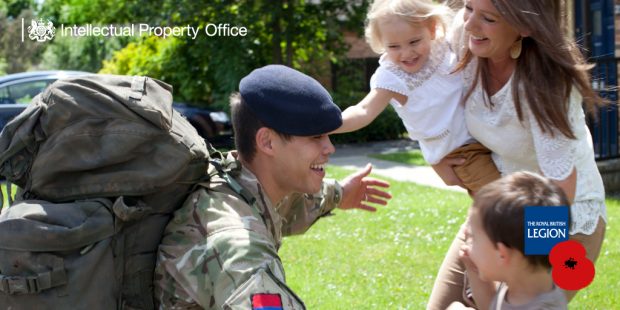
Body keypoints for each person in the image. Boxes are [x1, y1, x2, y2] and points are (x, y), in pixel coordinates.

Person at [153, 64, 392, 309]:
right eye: (315, 137)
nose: (329, 148)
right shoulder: (242, 251)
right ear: (267, 142)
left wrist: (340, 193)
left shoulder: (232, 183)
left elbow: (291, 206)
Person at [428, 0, 607, 308]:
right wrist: (434, 153)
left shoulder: (547, 83)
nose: (469, 24)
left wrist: (520, 265)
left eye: (489, 18)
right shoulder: (466, 37)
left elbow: (560, 188)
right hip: (500, 210)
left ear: (525, 27)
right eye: (468, 8)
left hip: (562, 221)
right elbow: (411, 82)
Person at [333, 0, 500, 194]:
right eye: (394, 46)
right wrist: (330, 123)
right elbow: (364, 110)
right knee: (503, 199)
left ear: (431, 29)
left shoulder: (445, 48)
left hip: (488, 131)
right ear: (381, 44)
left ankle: (483, 224)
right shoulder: (392, 77)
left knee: (519, 187)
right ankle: (539, 223)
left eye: (414, 41)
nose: (407, 53)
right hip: (461, 152)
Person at [447, 171, 570, 310]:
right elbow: (490, 306)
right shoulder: (521, 287)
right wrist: (473, 268)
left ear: (501, 254)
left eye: (473, 238)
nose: (468, 243)